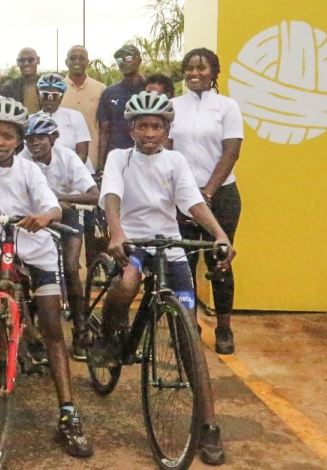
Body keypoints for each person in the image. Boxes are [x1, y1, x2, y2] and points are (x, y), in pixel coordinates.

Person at [0, 99, 92, 458]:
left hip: (36, 245)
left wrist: (44, 217)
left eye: (8, 136)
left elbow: (52, 206)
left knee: (53, 329)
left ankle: (68, 412)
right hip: (0, 236)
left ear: (19, 141)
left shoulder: (29, 170)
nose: (0, 142)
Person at [90, 90, 235, 466]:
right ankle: (108, 338)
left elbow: (192, 201)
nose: (149, 132)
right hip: (134, 243)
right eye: (142, 125)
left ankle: (208, 426)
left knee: (190, 332)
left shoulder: (175, 161)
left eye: (156, 126)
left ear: (166, 128)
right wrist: (117, 232)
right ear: (131, 128)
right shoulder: (119, 158)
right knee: (126, 284)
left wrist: (219, 234)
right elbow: (111, 196)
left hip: (170, 248)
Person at [169, 48, 243, 355]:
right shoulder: (172, 106)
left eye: (202, 68)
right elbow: (167, 151)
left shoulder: (227, 106)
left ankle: (224, 328)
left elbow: (231, 151)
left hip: (221, 195)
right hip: (181, 197)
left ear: (214, 72)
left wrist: (208, 192)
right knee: (184, 265)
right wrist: (182, 192)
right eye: (189, 68)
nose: (194, 73)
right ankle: (190, 324)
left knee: (219, 262)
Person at [21, 113, 98, 360]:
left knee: (72, 267)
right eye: (29, 138)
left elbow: (94, 195)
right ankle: (31, 329)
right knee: (28, 268)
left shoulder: (68, 157)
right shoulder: (22, 160)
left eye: (40, 138)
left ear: (53, 139)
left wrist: (63, 201)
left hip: (67, 215)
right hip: (36, 217)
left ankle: (80, 328)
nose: (34, 143)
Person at [95, 44, 146, 173]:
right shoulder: (109, 93)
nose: (123, 63)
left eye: (128, 58)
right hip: (117, 157)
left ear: (139, 60)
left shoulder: (150, 89)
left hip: (146, 156)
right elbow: (104, 131)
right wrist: (101, 165)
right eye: (119, 60)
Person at [60, 46, 105, 165]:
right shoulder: (57, 90)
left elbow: (103, 128)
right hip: (62, 158)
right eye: (73, 58)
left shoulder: (100, 89)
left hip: (92, 156)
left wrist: (101, 163)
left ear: (88, 62)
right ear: (66, 62)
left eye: (82, 58)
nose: (77, 62)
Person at [36, 73, 91, 163]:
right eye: (45, 95)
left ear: (61, 97)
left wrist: (71, 174)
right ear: (39, 96)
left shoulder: (75, 117)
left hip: (76, 171)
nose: (50, 99)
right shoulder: (32, 121)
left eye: (55, 95)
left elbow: (82, 153)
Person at [0, 47, 41, 114]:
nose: (26, 63)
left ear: (38, 60)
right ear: (17, 62)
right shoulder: (9, 88)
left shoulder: (47, 86)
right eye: (22, 60)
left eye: (30, 60)